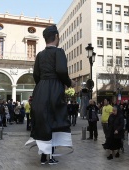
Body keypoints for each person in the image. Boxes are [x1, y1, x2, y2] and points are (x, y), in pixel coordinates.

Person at [30, 25, 76, 165]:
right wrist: (69, 82)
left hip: (41, 90)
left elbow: (35, 75)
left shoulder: (40, 55)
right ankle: (50, 156)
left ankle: (44, 155)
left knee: (43, 121)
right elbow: (61, 70)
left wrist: (43, 84)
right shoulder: (59, 52)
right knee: (56, 120)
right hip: (54, 88)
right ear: (56, 37)